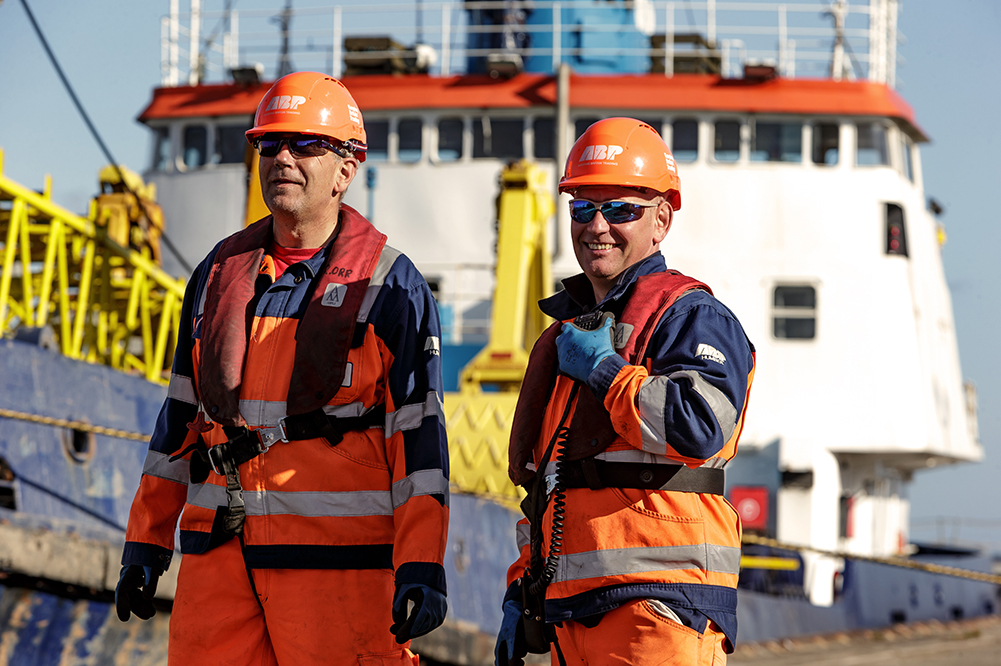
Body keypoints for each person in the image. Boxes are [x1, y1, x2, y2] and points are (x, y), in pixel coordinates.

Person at [115, 71, 449, 666]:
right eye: (269, 145)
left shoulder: (391, 287)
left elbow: (419, 438)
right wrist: (145, 542)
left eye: (305, 144)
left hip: (337, 572)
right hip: (220, 565)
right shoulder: (218, 277)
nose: (283, 158)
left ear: (348, 168)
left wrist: (422, 562)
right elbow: (178, 422)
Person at [495, 117, 756, 666]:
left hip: (660, 612)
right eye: (583, 207)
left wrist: (606, 372)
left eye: (621, 210)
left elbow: (700, 427)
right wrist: (522, 590)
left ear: (661, 220)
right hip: (571, 614)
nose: (597, 226)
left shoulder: (693, 317)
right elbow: (552, 482)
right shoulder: (570, 335)